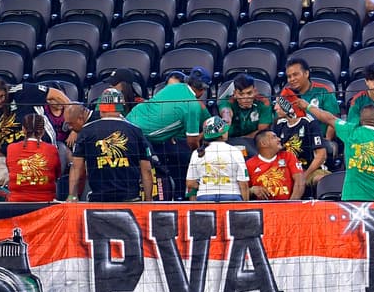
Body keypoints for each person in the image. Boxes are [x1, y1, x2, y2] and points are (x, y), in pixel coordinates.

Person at [128, 67, 212, 200]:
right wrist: (197, 155)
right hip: (143, 134)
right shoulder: (193, 106)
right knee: (186, 158)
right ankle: (174, 197)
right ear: (203, 90)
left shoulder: (175, 87)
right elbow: (192, 142)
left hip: (130, 118)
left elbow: (165, 113)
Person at [296, 98, 374, 202]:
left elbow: (328, 118)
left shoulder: (350, 131)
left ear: (360, 121)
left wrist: (308, 106)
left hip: (351, 200)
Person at [68, 89, 155, 203]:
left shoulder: (86, 131)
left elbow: (76, 167)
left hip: (99, 199)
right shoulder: (135, 131)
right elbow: (146, 169)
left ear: (100, 108)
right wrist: (149, 199)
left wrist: (72, 196)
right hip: (130, 199)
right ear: (121, 108)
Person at [186, 116, 250, 202]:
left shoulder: (196, 153)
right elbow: (243, 183)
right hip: (231, 195)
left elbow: (190, 184)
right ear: (223, 133)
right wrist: (245, 205)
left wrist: (206, 184)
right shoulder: (235, 151)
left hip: (205, 196)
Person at [271, 95, 328, 188]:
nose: (275, 108)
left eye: (278, 104)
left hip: (310, 170)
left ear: (289, 104)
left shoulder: (309, 122)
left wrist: (304, 176)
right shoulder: (279, 123)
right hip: (287, 170)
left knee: (321, 179)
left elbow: (321, 155)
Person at [283, 57, 342, 144]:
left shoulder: (324, 91)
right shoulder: (286, 93)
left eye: (295, 75)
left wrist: (327, 140)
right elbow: (280, 120)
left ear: (306, 73)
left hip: (319, 140)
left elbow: (333, 119)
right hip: (293, 142)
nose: (292, 79)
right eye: (289, 76)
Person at [6, 113, 60, 203]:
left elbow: (10, 170)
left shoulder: (11, 148)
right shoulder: (52, 149)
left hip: (16, 204)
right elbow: (57, 175)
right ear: (43, 131)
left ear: (23, 129)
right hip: (46, 205)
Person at [246, 128, 304, 201]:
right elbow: (242, 190)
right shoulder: (249, 164)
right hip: (263, 208)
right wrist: (252, 190)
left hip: (287, 205)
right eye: (274, 137)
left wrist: (291, 204)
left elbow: (300, 181)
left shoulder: (288, 156)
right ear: (263, 143)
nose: (279, 139)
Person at [218, 74, 274, 139]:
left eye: (249, 93)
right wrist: (226, 119)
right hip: (230, 141)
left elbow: (262, 133)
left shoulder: (264, 102)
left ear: (255, 91)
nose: (245, 98)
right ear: (235, 93)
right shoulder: (227, 101)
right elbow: (226, 112)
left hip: (254, 142)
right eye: (241, 94)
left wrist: (242, 139)